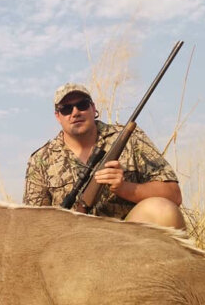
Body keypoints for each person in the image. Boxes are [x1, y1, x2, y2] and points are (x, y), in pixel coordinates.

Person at [24, 83, 185, 229]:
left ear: (93, 109)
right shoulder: (41, 160)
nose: (75, 113)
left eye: (82, 105)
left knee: (162, 211)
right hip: (71, 248)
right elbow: (33, 224)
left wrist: (124, 188)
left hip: (126, 242)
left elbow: (173, 194)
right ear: (57, 116)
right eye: (66, 109)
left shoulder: (128, 137)